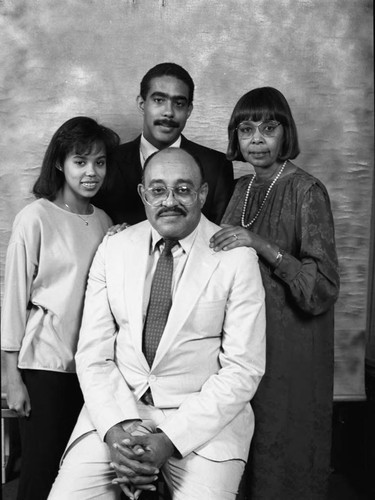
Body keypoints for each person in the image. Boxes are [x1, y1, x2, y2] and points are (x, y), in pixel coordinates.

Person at [48, 147, 266, 500]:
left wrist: (169, 439)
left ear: (202, 194)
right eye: (158, 190)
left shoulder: (237, 259)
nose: (170, 201)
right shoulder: (114, 248)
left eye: (183, 189)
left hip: (204, 421)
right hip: (118, 410)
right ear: (142, 194)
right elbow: (93, 354)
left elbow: (243, 369)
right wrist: (117, 431)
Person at [210, 87, 340, 500]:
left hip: (292, 352)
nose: (257, 139)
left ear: (286, 133)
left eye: (269, 128)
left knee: (284, 461)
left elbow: (321, 290)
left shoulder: (307, 190)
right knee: (243, 449)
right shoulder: (241, 188)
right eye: (246, 130)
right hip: (245, 344)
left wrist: (260, 243)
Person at [1, 116, 120, 500]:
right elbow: (14, 299)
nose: (91, 172)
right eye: (80, 161)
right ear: (59, 163)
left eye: (99, 162)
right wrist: (11, 377)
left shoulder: (104, 222)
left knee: (78, 477)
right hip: (44, 366)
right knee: (39, 472)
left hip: (89, 369)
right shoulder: (35, 217)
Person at [93, 62, 234, 225]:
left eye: (179, 104)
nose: (169, 112)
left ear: (189, 110)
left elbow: (219, 235)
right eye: (159, 100)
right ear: (141, 104)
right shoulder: (109, 161)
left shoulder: (216, 166)